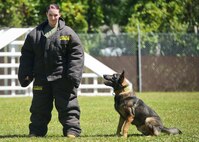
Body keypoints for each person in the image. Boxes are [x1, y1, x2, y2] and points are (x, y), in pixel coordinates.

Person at [18, 4, 84, 138]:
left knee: (68, 106)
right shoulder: (34, 34)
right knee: (39, 107)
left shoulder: (68, 33)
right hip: (41, 78)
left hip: (63, 77)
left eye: (56, 15)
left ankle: (72, 131)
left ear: (59, 15)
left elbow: (77, 54)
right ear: (46, 15)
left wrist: (73, 74)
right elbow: (27, 56)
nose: (53, 18)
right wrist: (25, 75)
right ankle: (36, 132)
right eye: (50, 15)